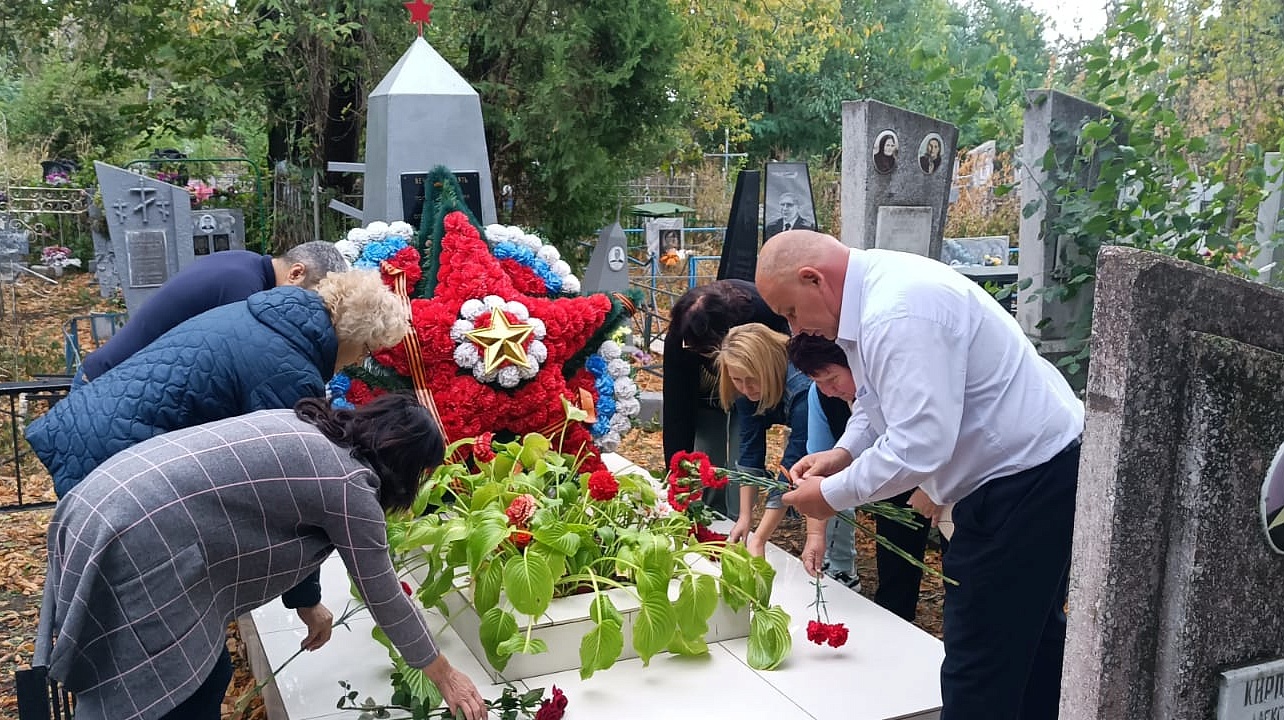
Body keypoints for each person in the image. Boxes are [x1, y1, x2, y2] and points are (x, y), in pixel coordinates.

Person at [756, 230, 1083, 720]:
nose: (794, 325)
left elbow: (920, 443)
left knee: (980, 656)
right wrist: (842, 454)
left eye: (789, 311)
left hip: (1023, 480)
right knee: (1029, 642)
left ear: (813, 279)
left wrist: (832, 496)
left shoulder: (898, 310)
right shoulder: (872, 300)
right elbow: (876, 400)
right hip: (1024, 473)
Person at [38, 394, 487, 720]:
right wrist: (444, 674)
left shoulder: (306, 425)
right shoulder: (350, 485)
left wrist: (307, 604)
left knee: (206, 676)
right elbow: (384, 592)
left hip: (100, 496)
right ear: (407, 465)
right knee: (169, 690)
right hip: (142, 532)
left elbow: (276, 517)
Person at [786, 332, 936, 616]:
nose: (828, 390)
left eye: (832, 379)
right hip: (891, 476)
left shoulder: (897, 368)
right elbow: (866, 418)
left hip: (957, 476)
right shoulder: (825, 393)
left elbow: (921, 442)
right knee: (895, 559)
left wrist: (935, 488)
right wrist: (838, 456)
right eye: (818, 382)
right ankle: (894, 623)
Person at [77, 241, 349, 384]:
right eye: (312, 297)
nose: (309, 310)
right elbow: (245, 368)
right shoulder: (242, 287)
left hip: (116, 378)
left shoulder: (245, 264)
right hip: (108, 385)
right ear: (296, 272)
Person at [663, 279, 790, 519]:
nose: (695, 352)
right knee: (708, 454)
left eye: (705, 351)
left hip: (754, 388)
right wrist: (676, 471)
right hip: (704, 396)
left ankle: (736, 520)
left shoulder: (762, 312)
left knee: (739, 460)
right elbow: (676, 410)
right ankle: (712, 516)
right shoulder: (681, 336)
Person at [716, 323, 810, 557]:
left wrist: (760, 538)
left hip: (841, 433)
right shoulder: (746, 388)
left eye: (751, 379)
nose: (746, 388)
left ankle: (840, 568)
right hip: (800, 425)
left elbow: (792, 463)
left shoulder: (803, 388)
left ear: (766, 368)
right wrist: (745, 516)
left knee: (823, 484)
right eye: (737, 380)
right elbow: (750, 452)